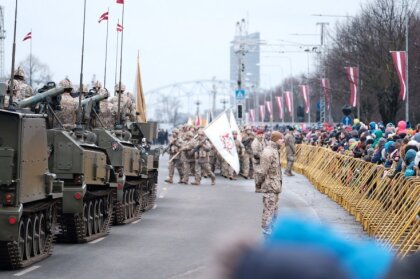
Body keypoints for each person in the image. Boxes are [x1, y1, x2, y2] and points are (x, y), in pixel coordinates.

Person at [260, 131, 284, 237]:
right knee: (268, 212)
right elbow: (262, 171)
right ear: (275, 140)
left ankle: (273, 234)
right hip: (270, 187)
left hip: (275, 187)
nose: (283, 140)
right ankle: (266, 235)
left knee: (274, 212)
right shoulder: (268, 152)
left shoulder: (275, 150)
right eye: (280, 139)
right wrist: (261, 184)